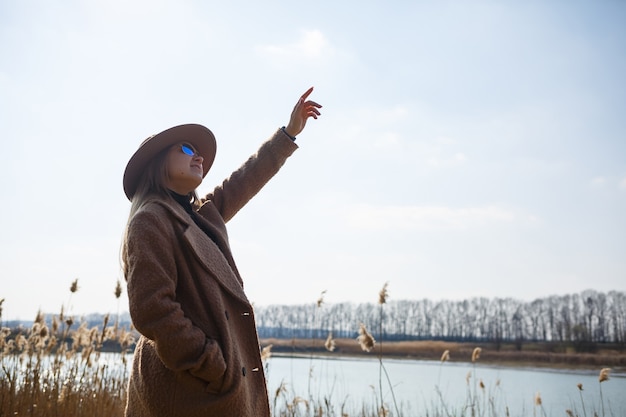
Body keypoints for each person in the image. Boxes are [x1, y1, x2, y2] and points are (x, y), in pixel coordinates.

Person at [121, 88, 322, 417]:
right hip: (186, 391)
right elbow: (152, 310)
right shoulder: (150, 220)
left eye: (198, 151)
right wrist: (212, 364)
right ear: (157, 163)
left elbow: (244, 181)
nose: (198, 156)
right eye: (186, 149)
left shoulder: (198, 216)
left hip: (208, 390)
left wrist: (288, 134)